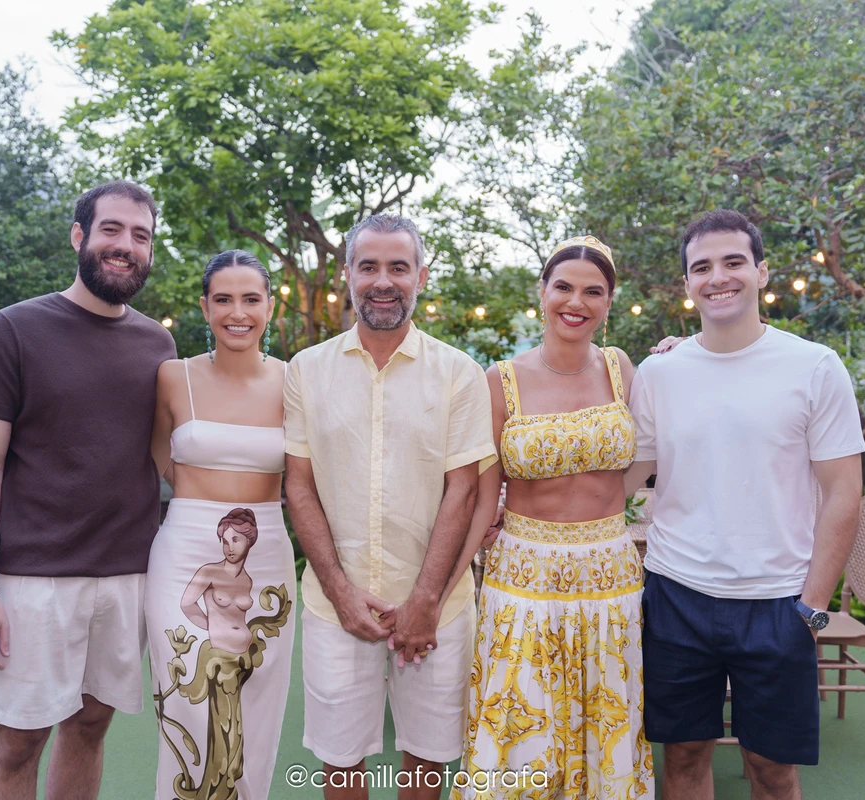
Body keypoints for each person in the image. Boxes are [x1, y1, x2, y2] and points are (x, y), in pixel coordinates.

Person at [624, 209, 865, 800]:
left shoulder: (815, 366)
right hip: (676, 594)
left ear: (761, 272)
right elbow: (623, 481)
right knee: (681, 758)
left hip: (778, 601)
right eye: (701, 267)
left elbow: (843, 493)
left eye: (733, 262)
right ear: (686, 285)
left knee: (772, 769)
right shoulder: (660, 372)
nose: (718, 277)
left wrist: (812, 607)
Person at [0, 181, 177, 800]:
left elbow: (167, 460)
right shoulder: (14, 329)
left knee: (89, 727)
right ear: (79, 236)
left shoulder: (158, 343)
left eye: (140, 236)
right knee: (18, 743)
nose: (126, 246)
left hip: (128, 574)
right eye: (111, 229)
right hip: (34, 578)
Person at [283, 214, 497, 800]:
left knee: (426, 763)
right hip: (335, 606)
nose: (383, 281)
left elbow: (465, 489)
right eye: (369, 266)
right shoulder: (306, 371)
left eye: (398, 267)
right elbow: (298, 486)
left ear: (420, 276)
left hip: (439, 607)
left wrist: (426, 598)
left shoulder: (459, 373)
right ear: (347, 275)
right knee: (341, 762)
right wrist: (340, 591)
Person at [450, 235, 654, 799]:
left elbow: (649, 454)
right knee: (522, 728)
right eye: (563, 286)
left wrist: (679, 352)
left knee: (606, 722)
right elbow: (481, 491)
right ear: (542, 292)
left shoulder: (623, 370)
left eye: (594, 291)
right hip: (523, 577)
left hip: (610, 574)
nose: (576, 301)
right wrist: (441, 585)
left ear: (609, 302)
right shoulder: (500, 380)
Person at [146, 250, 293, 800]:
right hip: (183, 550)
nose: (238, 312)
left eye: (251, 299)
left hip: (269, 554)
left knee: (254, 695)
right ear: (204, 307)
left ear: (269, 307)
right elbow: (158, 455)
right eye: (224, 299)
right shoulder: (172, 377)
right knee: (186, 693)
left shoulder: (292, 379)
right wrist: (201, 509)